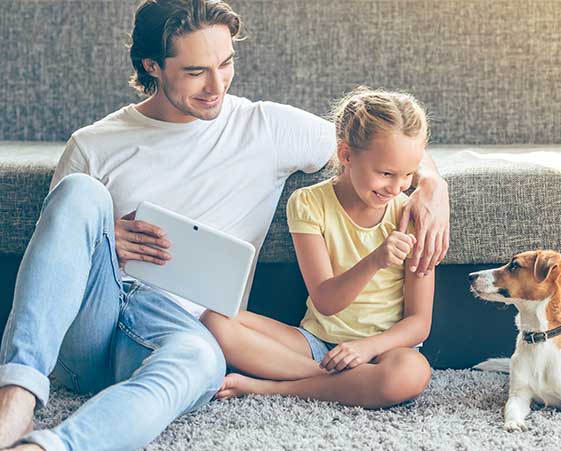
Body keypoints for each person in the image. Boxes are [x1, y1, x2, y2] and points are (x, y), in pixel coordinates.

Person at [0, 1, 449, 450]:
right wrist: (103, 237)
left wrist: (432, 190)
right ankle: (17, 398)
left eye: (226, 63)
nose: (216, 86)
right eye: (196, 71)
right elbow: (56, 249)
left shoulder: (267, 127)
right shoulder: (95, 144)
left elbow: (381, 145)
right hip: (92, 325)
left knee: (200, 359)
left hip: (184, 331)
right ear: (152, 65)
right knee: (81, 192)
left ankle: (51, 447)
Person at [201, 87, 435, 408]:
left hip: (383, 351)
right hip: (315, 343)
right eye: (385, 173)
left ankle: (271, 387)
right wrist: (376, 260)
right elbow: (325, 301)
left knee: (412, 372)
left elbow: (419, 322)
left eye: (408, 175)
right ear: (346, 156)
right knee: (215, 320)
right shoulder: (309, 203)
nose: (396, 188)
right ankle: (336, 380)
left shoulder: (412, 215)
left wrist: (366, 348)